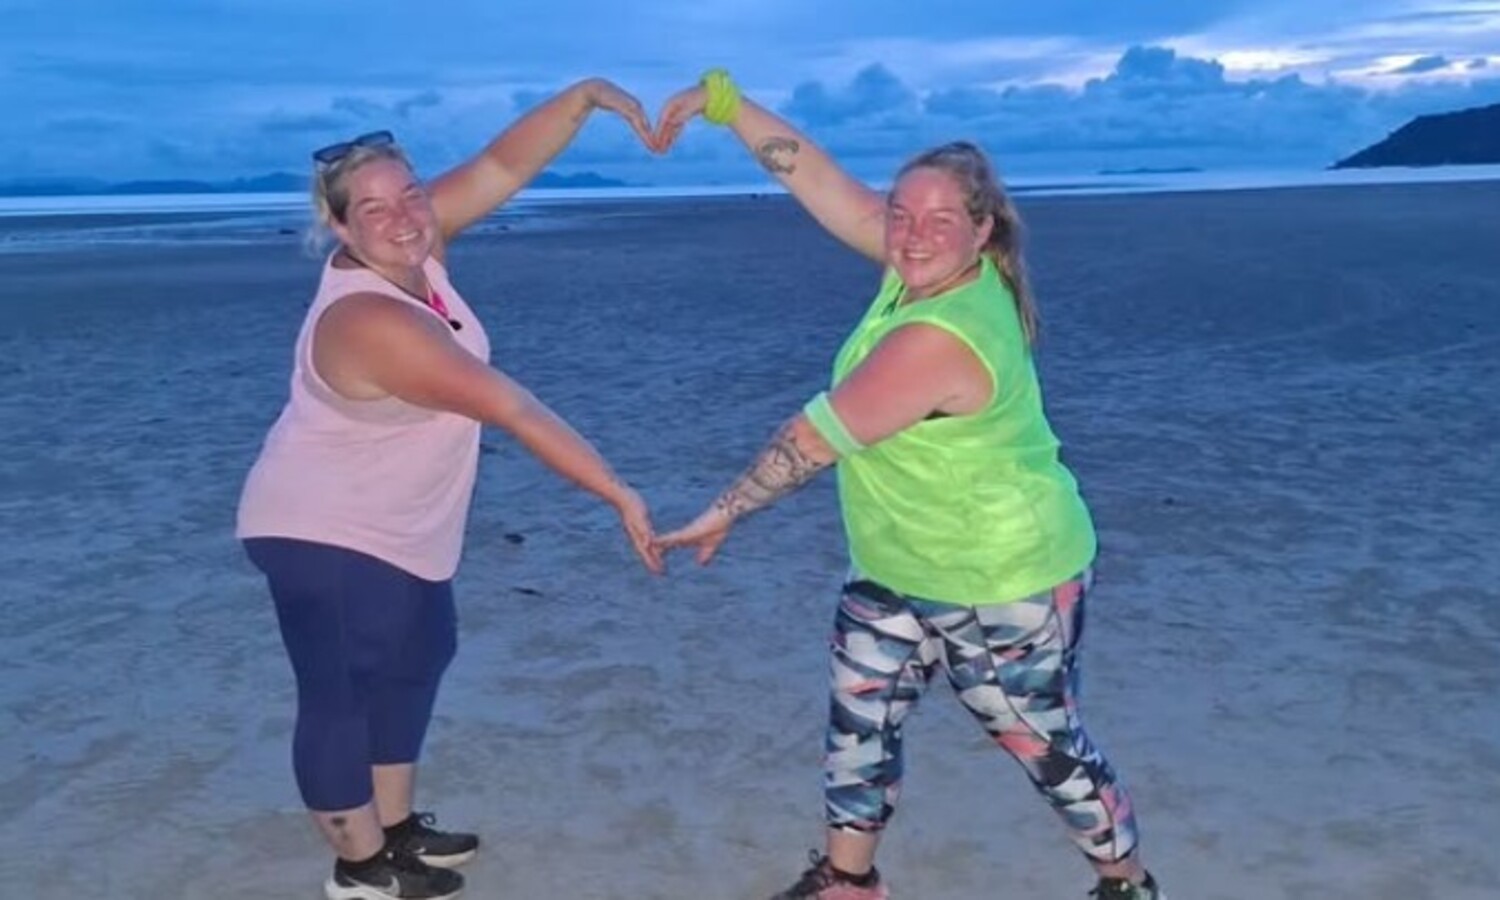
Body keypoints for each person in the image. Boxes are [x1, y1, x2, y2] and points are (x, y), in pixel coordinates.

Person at [653, 71, 1166, 900]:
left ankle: (1129, 884)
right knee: (860, 726)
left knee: (1043, 743)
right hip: (895, 562)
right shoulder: (919, 268)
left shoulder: (943, 333)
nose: (912, 235)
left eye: (938, 221)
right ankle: (848, 882)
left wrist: (720, 514)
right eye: (901, 214)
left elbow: (808, 442)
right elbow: (819, 180)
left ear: (982, 232)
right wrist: (727, 105)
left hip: (1001, 577)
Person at [236, 78, 664, 900]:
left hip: (402, 522)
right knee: (341, 691)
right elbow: (513, 408)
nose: (403, 216)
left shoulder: (418, 250)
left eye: (411, 194)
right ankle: (359, 869)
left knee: (418, 658)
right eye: (373, 208)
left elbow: (503, 164)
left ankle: (394, 832)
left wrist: (584, 99)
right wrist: (619, 492)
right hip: (323, 528)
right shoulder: (371, 320)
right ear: (340, 227)